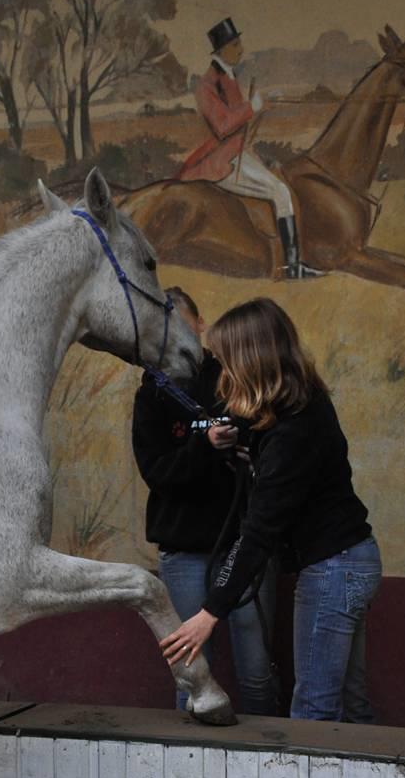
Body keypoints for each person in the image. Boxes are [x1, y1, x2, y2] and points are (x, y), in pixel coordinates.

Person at [159, 298, 382, 723]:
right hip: (350, 561)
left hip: (334, 568)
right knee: (351, 707)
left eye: (227, 363)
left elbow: (259, 532)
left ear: (250, 361)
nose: (223, 375)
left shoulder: (295, 430)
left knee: (313, 710)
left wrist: (209, 614)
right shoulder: (298, 406)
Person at [132, 287, 278, 716]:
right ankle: (188, 758)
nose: (174, 334)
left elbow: (269, 444)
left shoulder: (233, 376)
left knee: (256, 665)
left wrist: (240, 442)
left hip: (243, 540)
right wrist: (203, 444)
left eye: (182, 322)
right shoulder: (152, 394)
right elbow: (157, 473)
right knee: (190, 672)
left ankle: (271, 750)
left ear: (200, 325)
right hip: (183, 547)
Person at [177, 17, 320, 279]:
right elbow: (222, 126)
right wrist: (251, 107)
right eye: (235, 44)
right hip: (221, 162)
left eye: (239, 42)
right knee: (279, 191)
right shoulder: (207, 85)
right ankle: (291, 267)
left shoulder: (230, 76)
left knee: (279, 182)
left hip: (237, 153)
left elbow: (238, 128)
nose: (241, 49)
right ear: (221, 51)